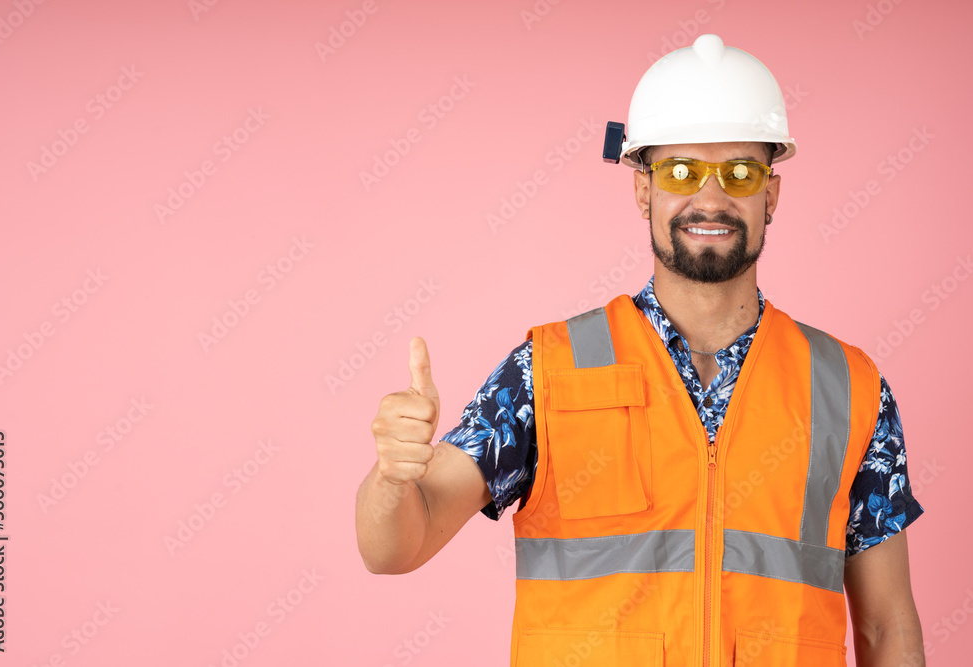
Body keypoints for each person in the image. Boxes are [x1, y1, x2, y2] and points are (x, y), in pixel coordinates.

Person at [355, 34, 925, 666]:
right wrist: (391, 479)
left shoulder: (848, 385)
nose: (710, 199)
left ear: (772, 195)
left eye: (740, 172)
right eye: (681, 171)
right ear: (643, 190)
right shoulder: (546, 371)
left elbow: (886, 627)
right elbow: (395, 549)